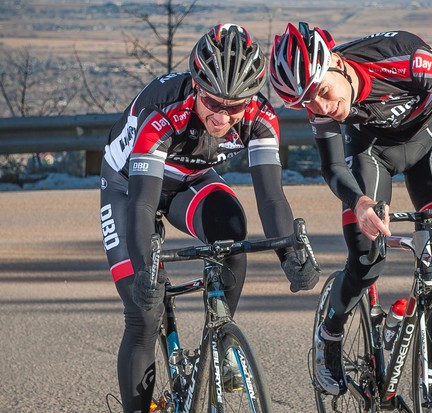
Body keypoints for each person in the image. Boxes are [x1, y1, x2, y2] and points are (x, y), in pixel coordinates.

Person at [269, 22, 432, 396]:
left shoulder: (412, 63)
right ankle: (331, 332)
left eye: (322, 93)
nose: (321, 108)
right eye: (306, 103)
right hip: (371, 153)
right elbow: (334, 166)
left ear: (337, 63)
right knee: (367, 259)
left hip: (430, 143)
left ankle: (431, 379)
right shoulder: (317, 98)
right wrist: (361, 202)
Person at [99, 23, 319, 413]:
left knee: (232, 234)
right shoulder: (164, 112)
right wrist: (145, 268)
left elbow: (270, 198)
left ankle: (219, 345)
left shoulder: (261, 116)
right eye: (214, 103)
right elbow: (142, 206)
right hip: (129, 187)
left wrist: (289, 256)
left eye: (234, 107)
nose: (223, 117)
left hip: (191, 178)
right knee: (144, 314)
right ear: (197, 86)